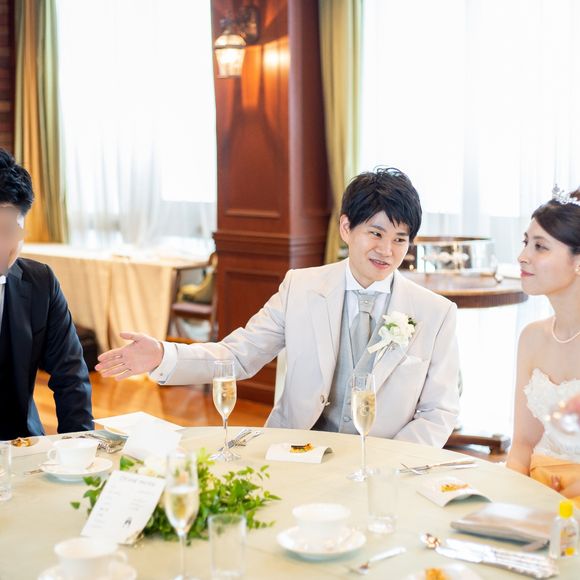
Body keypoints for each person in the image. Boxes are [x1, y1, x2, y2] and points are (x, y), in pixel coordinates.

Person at [96, 168, 460, 447]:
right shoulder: (300, 288)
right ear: (346, 228)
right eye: (376, 233)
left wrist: (388, 463)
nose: (387, 250)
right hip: (297, 451)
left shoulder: (435, 312)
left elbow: (438, 411)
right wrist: (163, 355)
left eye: (400, 239)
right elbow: (239, 355)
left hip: (384, 465)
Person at [0, 149, 93, 439]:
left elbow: (71, 377)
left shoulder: (41, 283)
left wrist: (78, 447)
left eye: (8, 230)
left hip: (21, 445)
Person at [507, 187, 580, 504]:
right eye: (526, 242)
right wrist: (511, 498)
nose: (523, 256)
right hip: (535, 490)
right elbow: (522, 445)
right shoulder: (532, 338)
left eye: (540, 246)